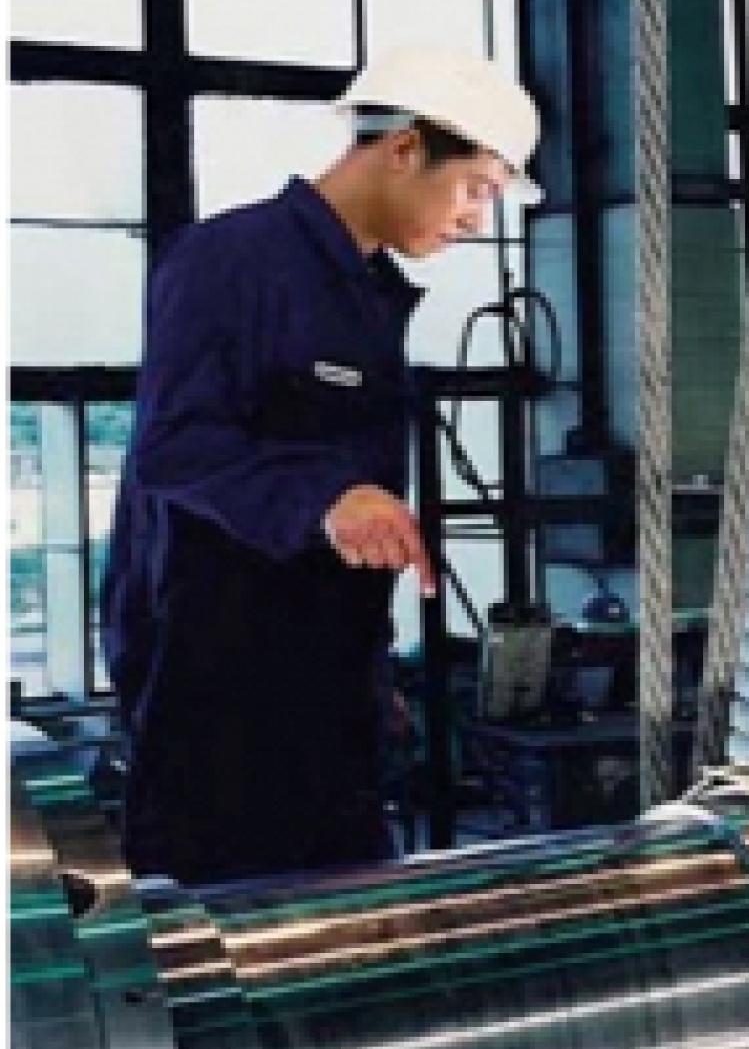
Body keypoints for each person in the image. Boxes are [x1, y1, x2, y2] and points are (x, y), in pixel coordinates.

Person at [102, 46, 539, 885]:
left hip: (325, 694)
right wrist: (327, 499)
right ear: (405, 148)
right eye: (476, 188)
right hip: (216, 703)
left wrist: (368, 674)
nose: (476, 219)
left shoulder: (362, 292)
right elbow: (175, 446)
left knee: (349, 925)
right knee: (221, 936)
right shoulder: (231, 260)